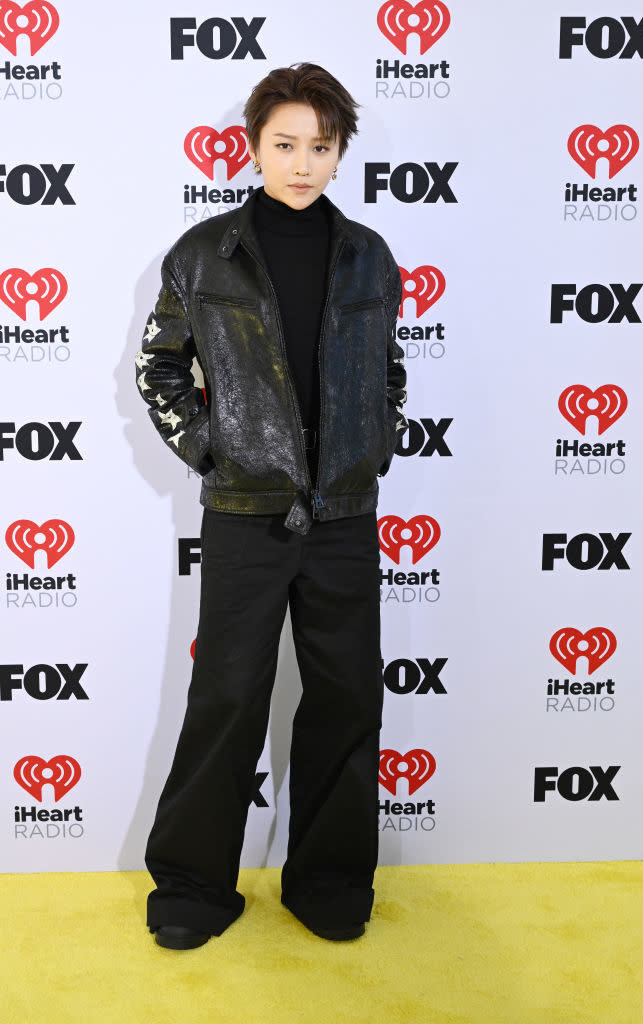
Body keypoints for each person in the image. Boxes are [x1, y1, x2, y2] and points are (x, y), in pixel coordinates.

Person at [135, 63, 408, 950]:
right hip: (246, 515)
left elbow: (388, 369)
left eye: (319, 147)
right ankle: (190, 885)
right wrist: (214, 451)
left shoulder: (369, 254)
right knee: (227, 694)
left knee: (343, 695)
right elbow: (159, 368)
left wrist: (373, 446)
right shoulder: (203, 252)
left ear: (339, 152)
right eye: (284, 145)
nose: (302, 163)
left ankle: (329, 880)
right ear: (252, 147)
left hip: (343, 515)